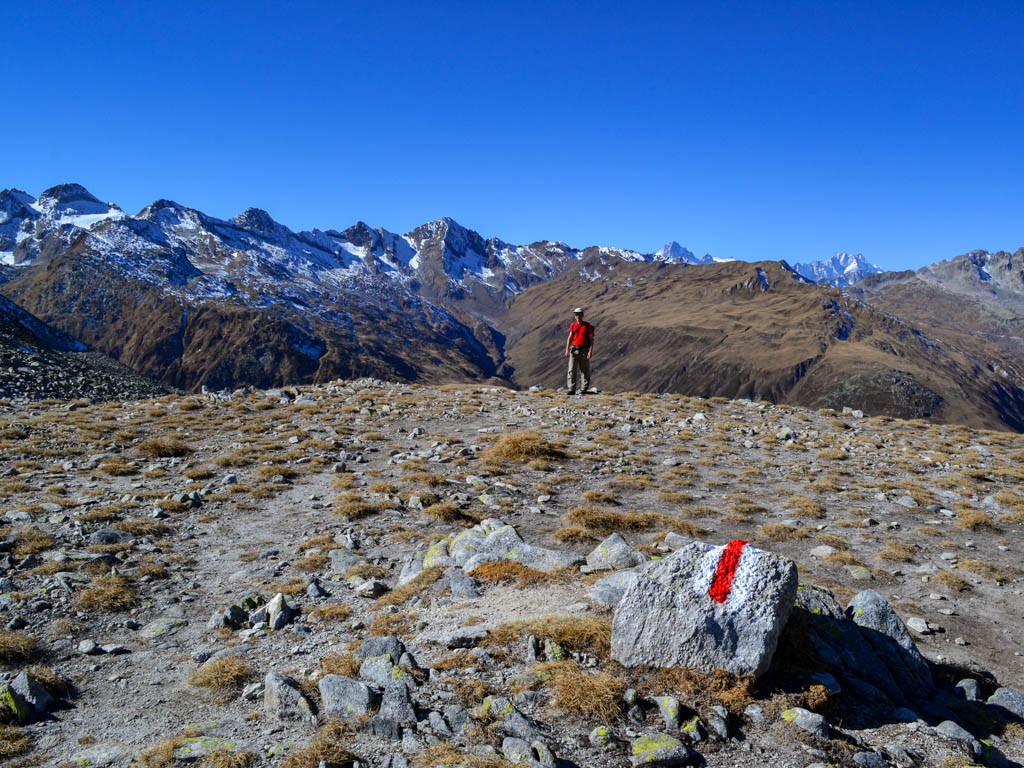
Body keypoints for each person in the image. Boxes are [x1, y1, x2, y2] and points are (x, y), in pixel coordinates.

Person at [564, 306, 594, 395]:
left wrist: (590, 351)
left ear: (582, 315)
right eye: (576, 315)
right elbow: (570, 338)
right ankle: (571, 389)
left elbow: (591, 339)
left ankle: (584, 388)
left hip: (584, 350)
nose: (577, 316)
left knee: (584, 370)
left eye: (579, 314)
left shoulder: (587, 326)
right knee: (571, 369)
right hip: (574, 350)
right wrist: (567, 349)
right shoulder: (573, 325)